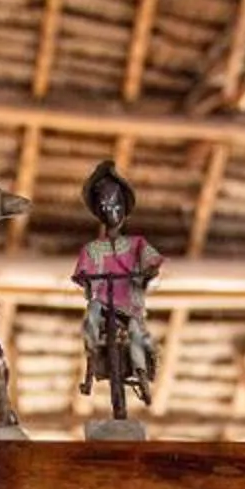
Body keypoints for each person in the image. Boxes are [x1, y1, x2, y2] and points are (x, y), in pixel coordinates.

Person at [73, 160, 162, 406]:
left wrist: (146, 277)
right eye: (105, 205)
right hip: (103, 304)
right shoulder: (92, 249)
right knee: (91, 314)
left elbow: (153, 268)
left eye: (115, 204)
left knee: (134, 331)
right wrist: (89, 285)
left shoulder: (137, 245)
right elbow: (83, 277)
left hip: (128, 304)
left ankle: (141, 373)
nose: (110, 209)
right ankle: (91, 361)